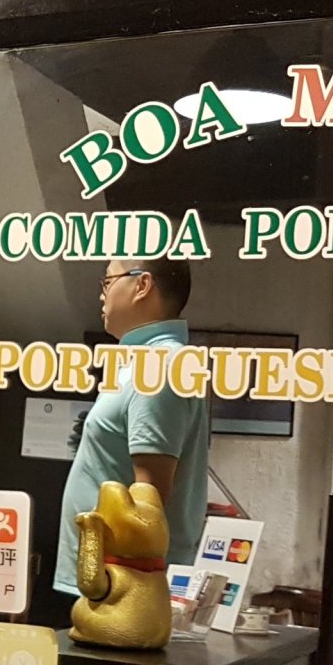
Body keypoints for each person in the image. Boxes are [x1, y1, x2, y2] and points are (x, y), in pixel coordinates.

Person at [53, 259, 210, 607]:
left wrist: (117, 588)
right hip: (106, 581)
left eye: (108, 281)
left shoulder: (158, 366)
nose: (101, 295)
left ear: (142, 285)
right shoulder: (142, 362)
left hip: (120, 588)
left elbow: (148, 499)